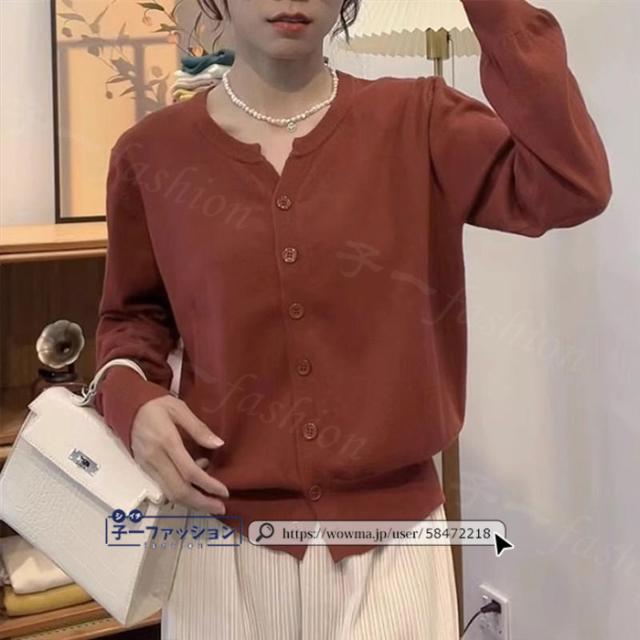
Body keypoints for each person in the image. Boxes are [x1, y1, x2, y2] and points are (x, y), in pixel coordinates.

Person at [94, 0, 612, 638]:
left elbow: (569, 184)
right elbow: (132, 318)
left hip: (393, 547)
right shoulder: (152, 154)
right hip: (220, 542)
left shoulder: (418, 118)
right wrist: (131, 401)